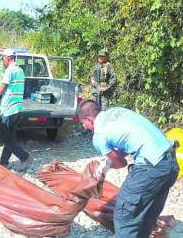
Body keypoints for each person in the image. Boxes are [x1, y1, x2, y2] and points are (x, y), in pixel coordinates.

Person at [76, 100, 179, 238]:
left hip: (151, 169)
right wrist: (109, 160)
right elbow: (129, 142)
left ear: (88, 119)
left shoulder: (99, 136)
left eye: (84, 123)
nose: (85, 127)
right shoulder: (117, 111)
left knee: (125, 215)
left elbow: (121, 163)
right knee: (147, 213)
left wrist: (105, 166)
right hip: (170, 164)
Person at [0, 48, 32, 170]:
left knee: (6, 138)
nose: (3, 62)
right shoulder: (20, 70)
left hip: (8, 109)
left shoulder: (9, 70)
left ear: (8, 58)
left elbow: (1, 91)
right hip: (17, 108)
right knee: (10, 137)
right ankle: (3, 162)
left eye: (3, 60)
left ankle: (25, 157)